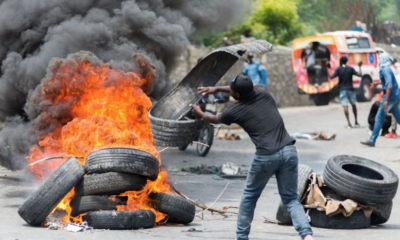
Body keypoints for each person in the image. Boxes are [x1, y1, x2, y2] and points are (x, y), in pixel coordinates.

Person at [189, 73, 314, 240]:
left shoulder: (234, 111)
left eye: (232, 90)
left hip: (266, 157)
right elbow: (244, 89)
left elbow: (212, 118)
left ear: (237, 95)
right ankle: (306, 235)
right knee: (291, 199)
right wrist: (216, 88)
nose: (230, 92)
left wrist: (199, 113)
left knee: (249, 197)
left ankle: (242, 237)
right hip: (289, 151)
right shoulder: (263, 91)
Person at [361, 52, 400, 147]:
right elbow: (387, 82)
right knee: (398, 117)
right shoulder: (387, 68)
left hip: (389, 97)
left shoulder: (384, 69)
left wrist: (386, 100)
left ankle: (372, 140)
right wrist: (377, 83)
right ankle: (372, 139)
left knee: (379, 117)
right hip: (395, 95)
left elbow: (389, 85)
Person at [328, 56, 362, 128]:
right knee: (353, 105)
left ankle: (349, 123)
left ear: (340, 62)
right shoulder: (350, 69)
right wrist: (359, 66)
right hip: (350, 89)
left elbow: (331, 76)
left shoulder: (339, 69)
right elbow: (360, 74)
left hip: (343, 90)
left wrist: (328, 68)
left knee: (345, 106)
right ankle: (356, 122)